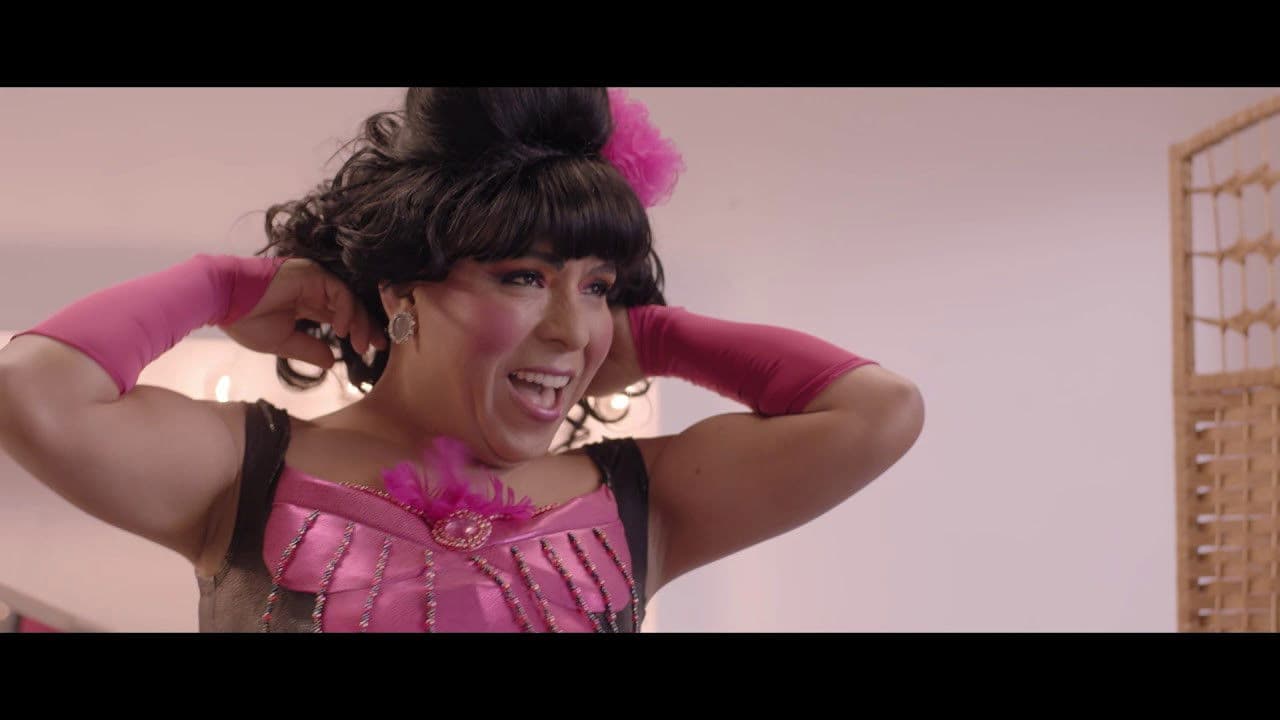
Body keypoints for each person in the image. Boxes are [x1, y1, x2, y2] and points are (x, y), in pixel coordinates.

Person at [0, 87, 925, 632]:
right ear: (403, 290)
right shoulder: (241, 472)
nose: (571, 329)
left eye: (597, 285)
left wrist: (651, 334)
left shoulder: (649, 498)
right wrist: (225, 286)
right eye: (523, 277)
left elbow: (876, 411)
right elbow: (34, 392)